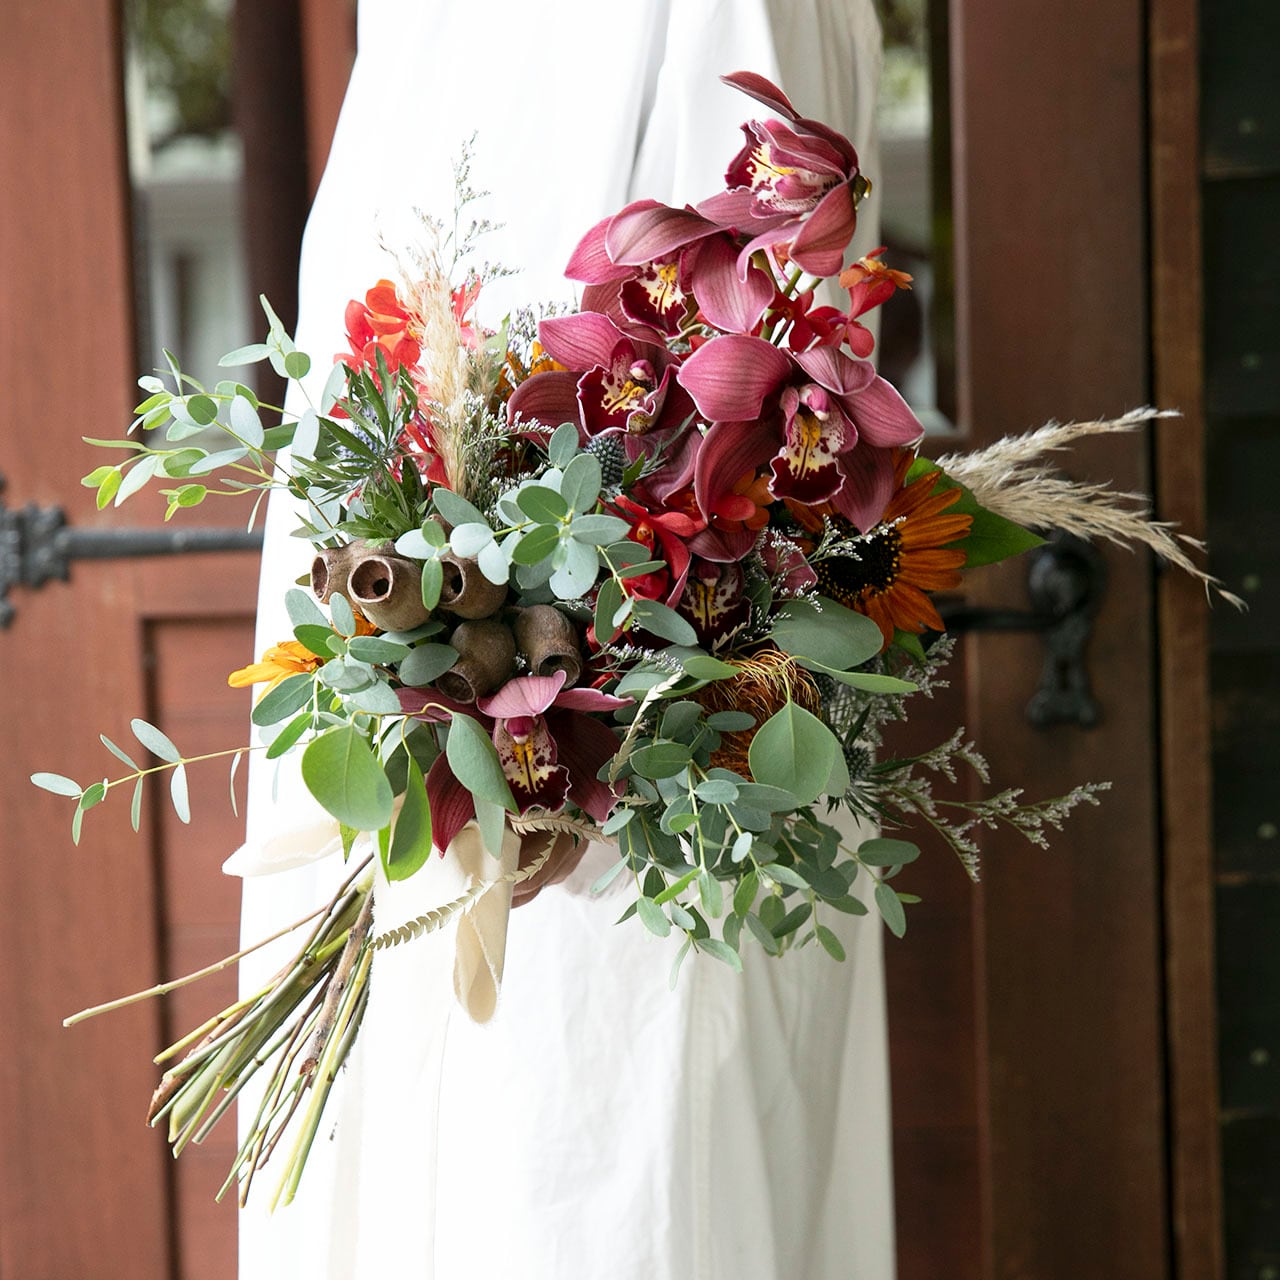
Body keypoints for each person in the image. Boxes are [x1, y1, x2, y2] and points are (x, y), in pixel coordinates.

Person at [237, 3, 896, 1276]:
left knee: (603, 1176)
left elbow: (735, 419)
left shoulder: (716, 15)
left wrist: (536, 714)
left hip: (619, 802)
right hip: (434, 770)